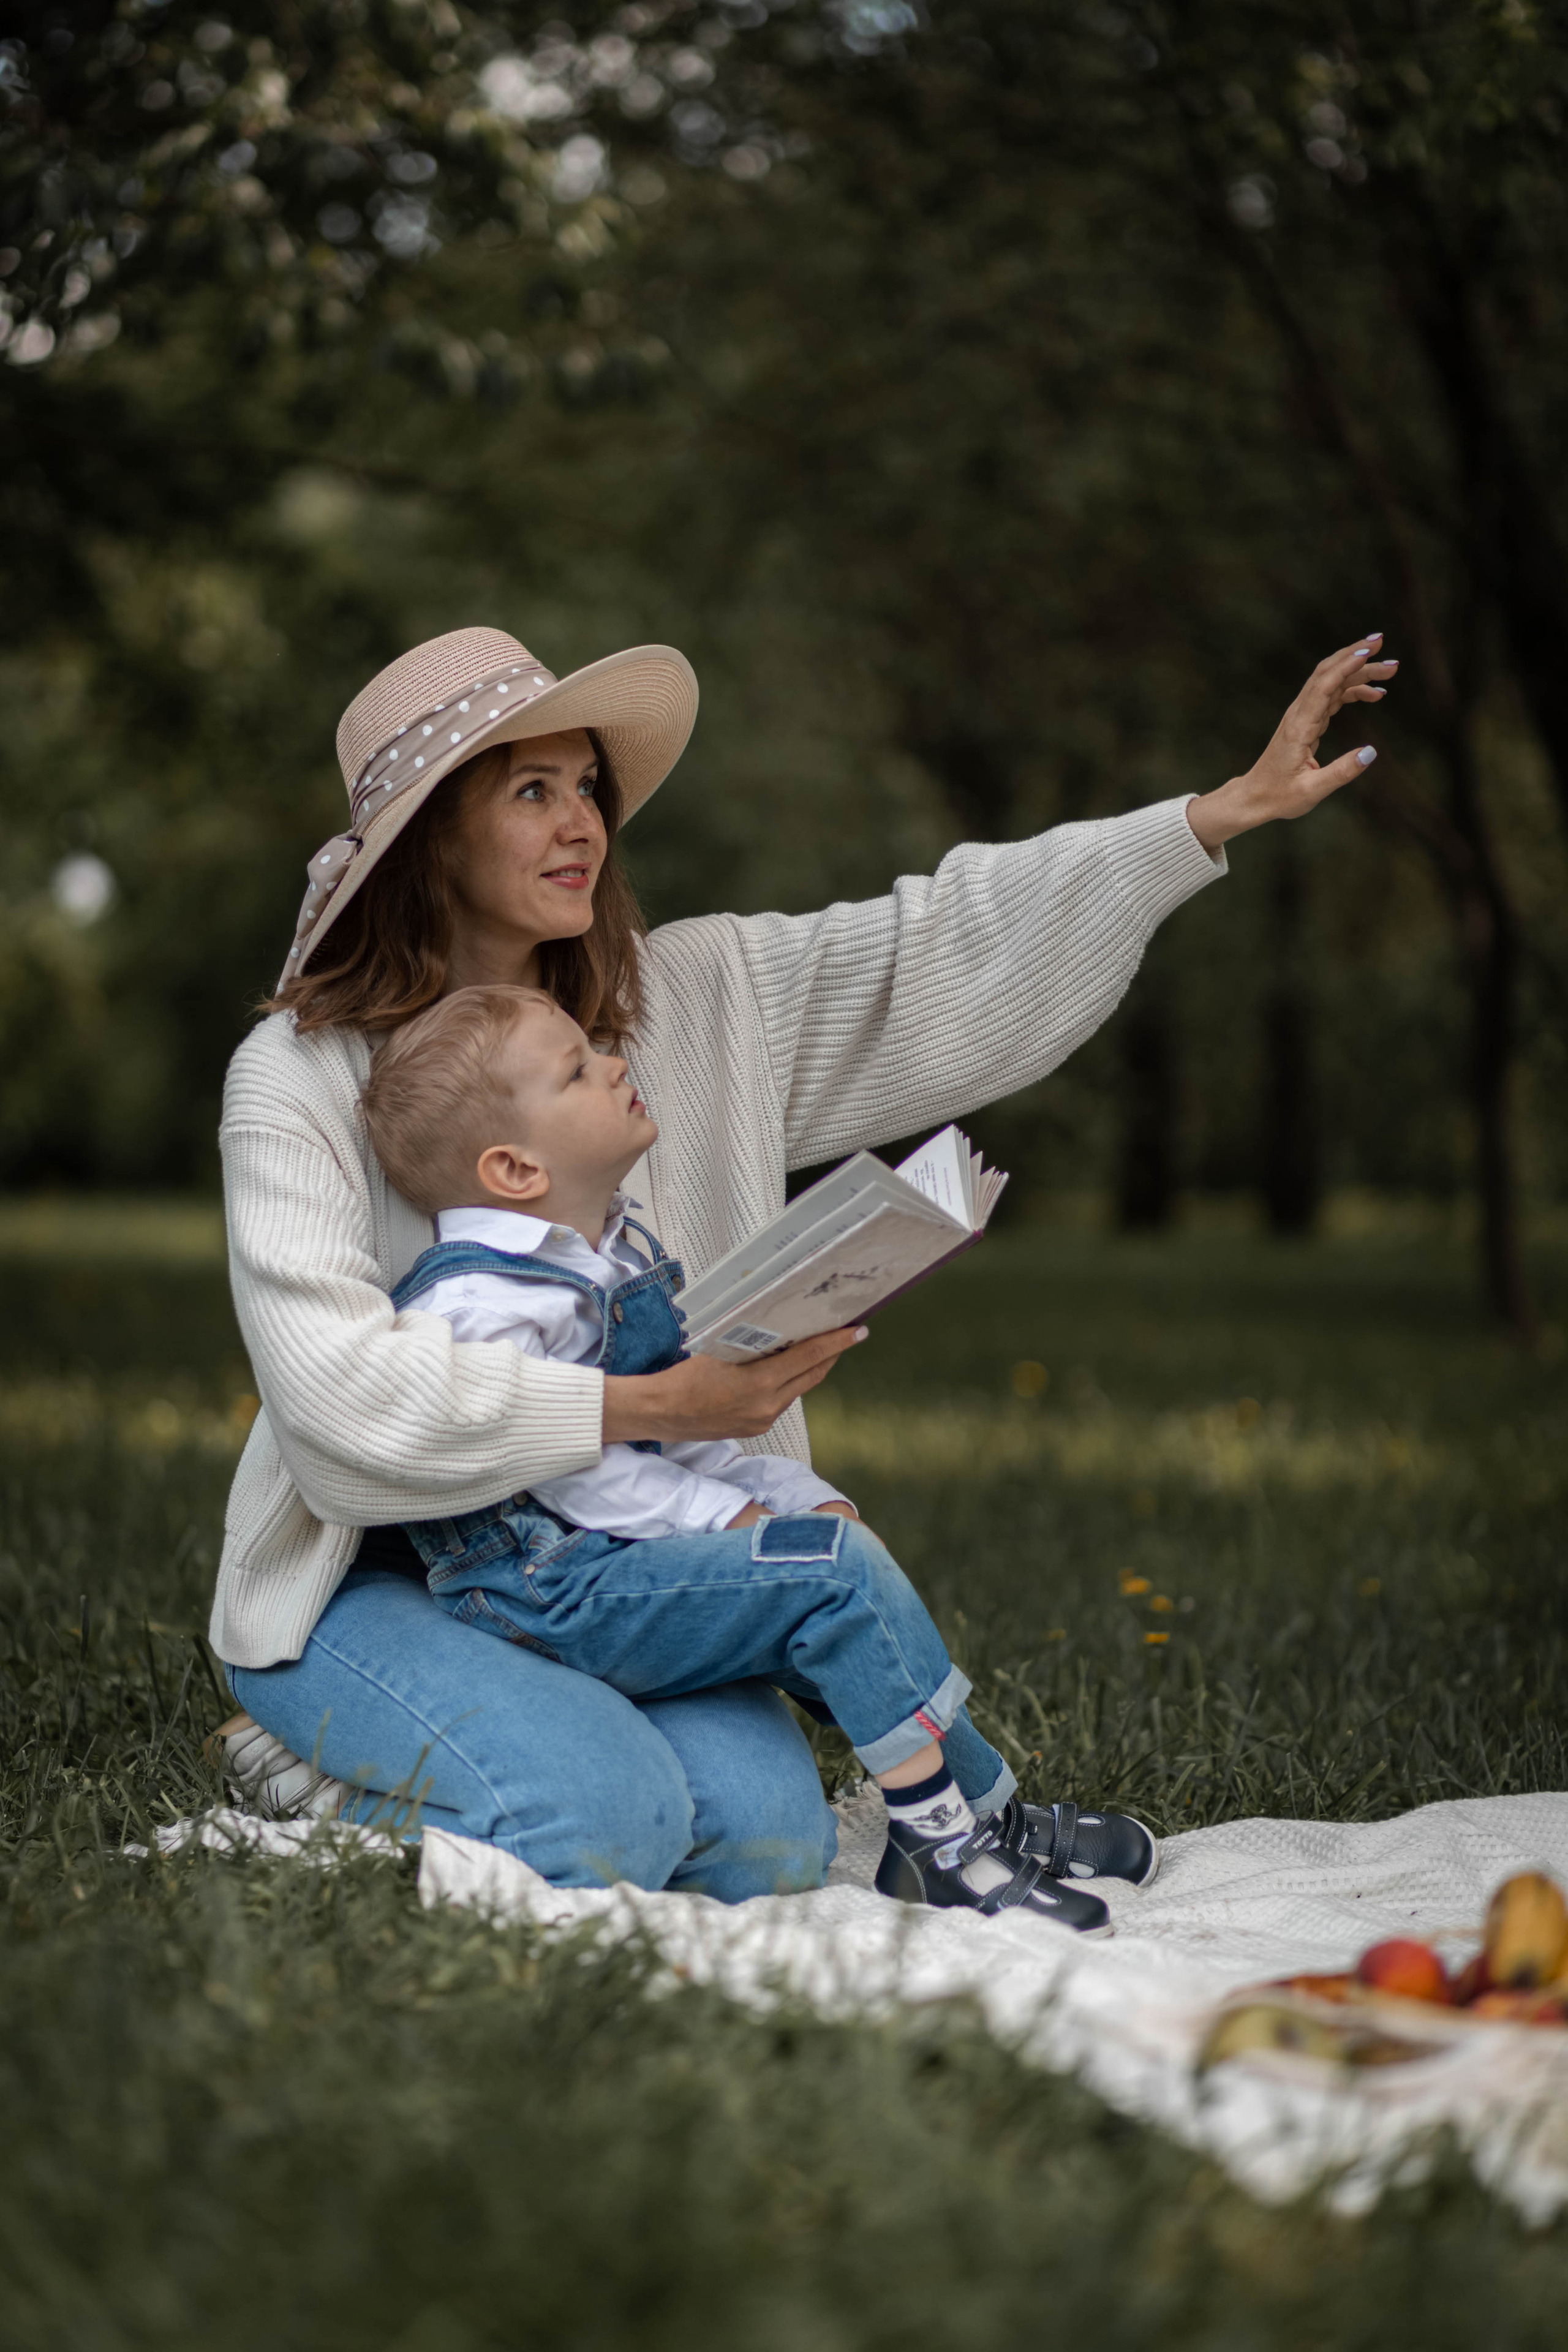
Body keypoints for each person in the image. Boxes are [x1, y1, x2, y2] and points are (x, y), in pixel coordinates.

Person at [212, 621, 1395, 1899]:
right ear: (428, 834)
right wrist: (661, 1404)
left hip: (616, 1562)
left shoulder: (685, 1002)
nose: (584, 826)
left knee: (769, 1841)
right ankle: (319, 1764)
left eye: (588, 787)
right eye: (531, 791)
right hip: (378, 1578)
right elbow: (333, 1406)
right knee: (603, 1823)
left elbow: (927, 952)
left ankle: (515, 1739)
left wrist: (1202, 822)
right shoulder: (297, 1078)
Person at [358, 981, 1161, 1930]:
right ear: (515, 1168)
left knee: (827, 1560)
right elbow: (565, 1462)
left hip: (609, 1557)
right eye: (578, 1069)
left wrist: (785, 1491)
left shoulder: (604, 1256)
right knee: (831, 1579)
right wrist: (731, 1521)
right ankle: (941, 1846)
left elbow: (664, 1432)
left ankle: (983, 1817)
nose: (615, 1064)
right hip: (544, 1585)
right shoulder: (479, 1305)